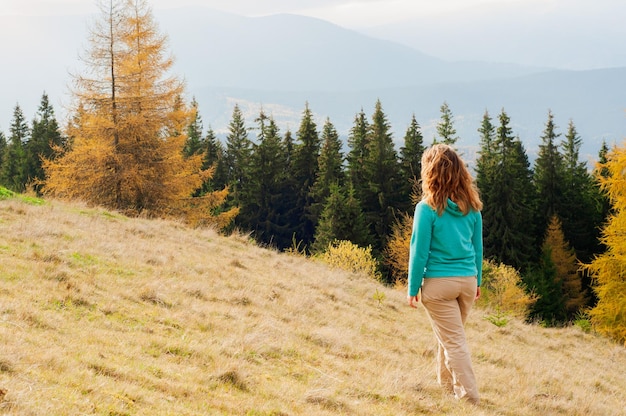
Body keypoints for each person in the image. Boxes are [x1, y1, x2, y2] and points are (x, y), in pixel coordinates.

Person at [407, 143, 483, 405]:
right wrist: (478, 281)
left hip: (439, 286)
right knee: (450, 335)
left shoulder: (426, 209)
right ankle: (445, 388)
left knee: (454, 342)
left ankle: (469, 398)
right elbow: (477, 247)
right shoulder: (472, 208)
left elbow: (419, 252)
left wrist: (412, 287)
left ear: (429, 173)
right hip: (467, 283)